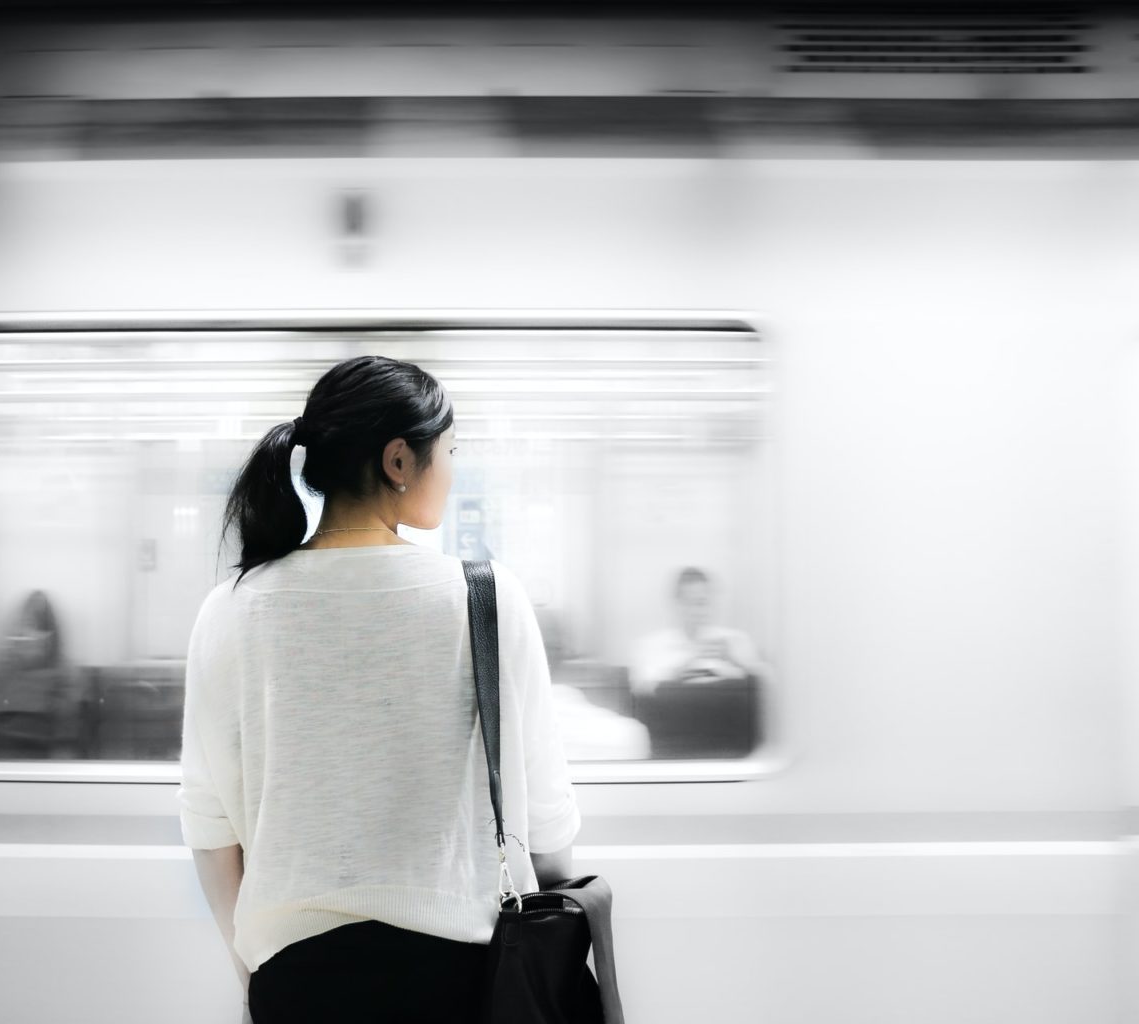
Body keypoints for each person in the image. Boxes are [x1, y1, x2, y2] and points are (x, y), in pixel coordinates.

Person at [177, 355, 581, 1024]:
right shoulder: (488, 597)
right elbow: (545, 818)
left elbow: (210, 826)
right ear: (399, 461)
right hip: (466, 980)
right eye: (449, 451)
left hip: (296, 983)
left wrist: (252, 974)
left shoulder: (230, 608)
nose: (452, 471)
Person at [0, 590, 76, 759]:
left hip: (40, 754)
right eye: (26, 625)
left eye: (39, 627)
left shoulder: (63, 672)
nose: (30, 635)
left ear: (50, 634)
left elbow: (66, 726)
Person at [630, 567, 766, 696]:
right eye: (688, 602)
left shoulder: (734, 640)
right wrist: (682, 669)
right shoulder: (651, 646)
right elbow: (640, 691)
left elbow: (769, 685)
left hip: (726, 715)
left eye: (702, 602)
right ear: (676, 604)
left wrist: (733, 660)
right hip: (671, 715)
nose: (696, 611)